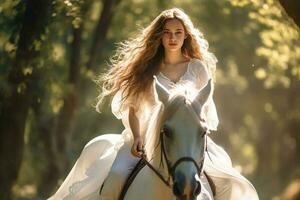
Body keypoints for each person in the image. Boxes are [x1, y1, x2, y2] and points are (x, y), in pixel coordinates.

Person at [48, 8, 259, 200]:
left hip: (189, 140)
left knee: (232, 184)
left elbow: (202, 109)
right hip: (146, 136)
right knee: (115, 179)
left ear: (186, 35)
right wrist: (138, 136)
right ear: (160, 36)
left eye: (178, 32)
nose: (172, 37)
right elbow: (133, 108)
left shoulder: (197, 68)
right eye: (167, 32)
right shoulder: (148, 69)